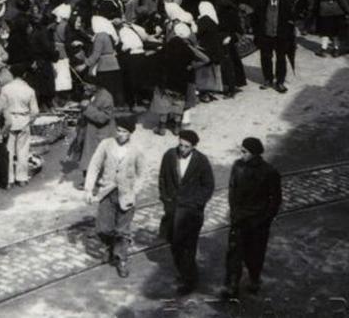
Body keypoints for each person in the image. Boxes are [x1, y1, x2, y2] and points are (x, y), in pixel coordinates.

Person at [83, 117, 145, 278]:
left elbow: (142, 173)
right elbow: (94, 166)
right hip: (107, 192)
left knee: (122, 231)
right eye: (118, 130)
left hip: (126, 195)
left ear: (130, 133)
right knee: (103, 227)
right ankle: (109, 247)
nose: (120, 134)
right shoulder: (106, 144)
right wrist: (89, 189)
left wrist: (135, 191)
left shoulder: (136, 149)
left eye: (124, 131)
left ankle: (121, 260)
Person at [221, 137, 282, 299]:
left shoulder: (269, 172)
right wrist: (234, 212)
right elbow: (232, 190)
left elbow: (275, 200)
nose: (241, 155)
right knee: (234, 254)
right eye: (241, 151)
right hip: (239, 220)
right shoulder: (237, 167)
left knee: (255, 254)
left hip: (258, 223)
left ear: (254, 154)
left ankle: (254, 279)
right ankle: (232, 285)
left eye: (244, 152)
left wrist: (265, 219)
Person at [158, 130, 215, 295]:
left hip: (191, 214)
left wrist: (196, 203)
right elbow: (162, 178)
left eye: (186, 147)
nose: (182, 149)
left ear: (194, 147)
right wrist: (165, 199)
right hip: (173, 210)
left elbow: (208, 186)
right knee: (174, 245)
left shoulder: (201, 161)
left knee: (188, 248)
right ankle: (184, 273)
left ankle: (190, 281)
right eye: (180, 145)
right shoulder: (169, 155)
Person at [252, 0, 295, 93]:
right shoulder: (261, 3)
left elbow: (290, 20)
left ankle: (280, 81)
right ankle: (268, 79)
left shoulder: (285, 4)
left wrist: (288, 36)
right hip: (266, 35)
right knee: (266, 57)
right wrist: (257, 33)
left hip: (280, 36)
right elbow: (255, 20)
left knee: (281, 59)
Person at [1, 64, 39, 188]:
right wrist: (30, 120)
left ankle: (9, 180)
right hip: (24, 119)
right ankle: (22, 178)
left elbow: (2, 106)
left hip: (9, 119)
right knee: (23, 150)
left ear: (12, 74)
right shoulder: (29, 90)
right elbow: (35, 111)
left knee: (9, 151)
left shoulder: (5, 89)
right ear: (24, 75)